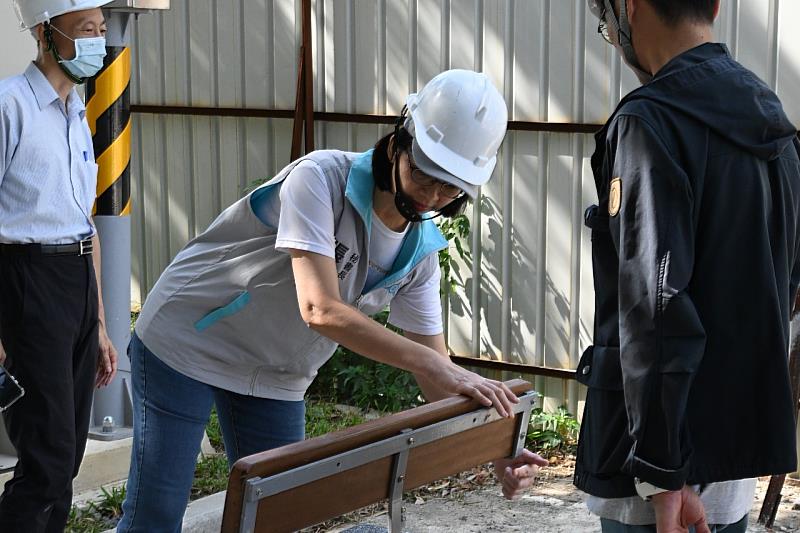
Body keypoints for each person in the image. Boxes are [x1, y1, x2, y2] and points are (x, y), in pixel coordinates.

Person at [117, 69, 547, 531]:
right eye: (425, 176)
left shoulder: (421, 253)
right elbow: (319, 308)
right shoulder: (321, 178)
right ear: (397, 143)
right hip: (188, 341)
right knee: (155, 517)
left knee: (281, 518)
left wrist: (495, 448)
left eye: (450, 188)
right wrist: (432, 363)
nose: (432, 197)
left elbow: (435, 378)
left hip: (275, 373)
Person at [578, 0, 800, 532]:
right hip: (731, 458)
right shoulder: (772, 122)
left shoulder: (649, 121)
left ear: (627, 8)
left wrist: (662, 475)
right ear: (717, 5)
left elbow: (652, 304)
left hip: (658, 471)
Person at [0, 0, 119, 530]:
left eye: (100, 29)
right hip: (25, 281)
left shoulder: (76, 112)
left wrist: (100, 323)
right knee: (46, 460)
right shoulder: (9, 106)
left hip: (74, 282)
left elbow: (83, 224)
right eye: (84, 30)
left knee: (66, 459)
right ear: (47, 35)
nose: (97, 40)